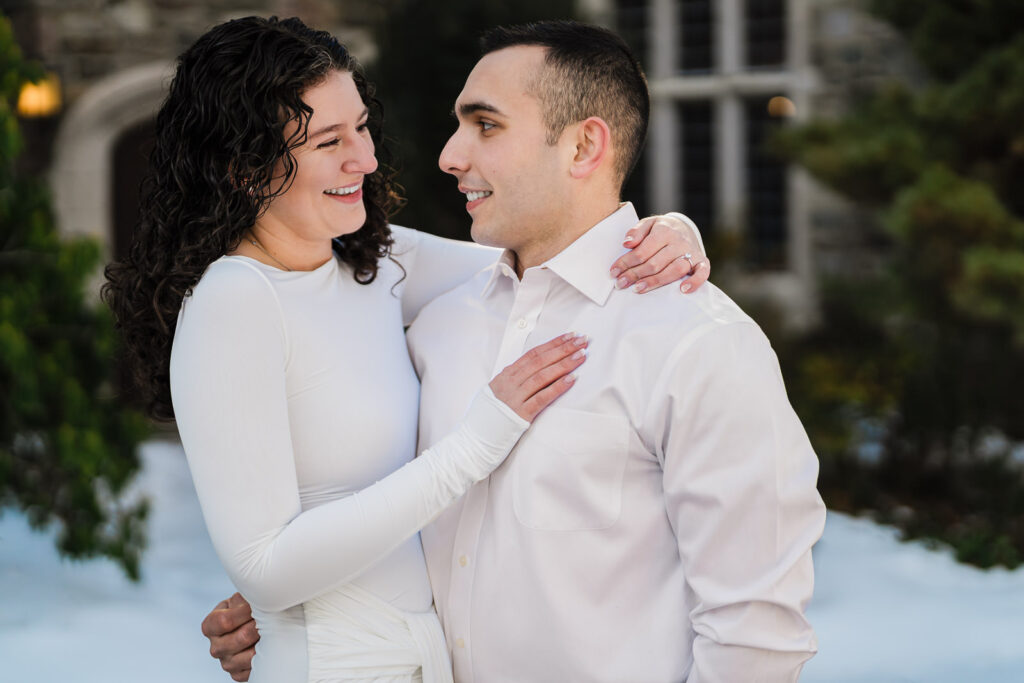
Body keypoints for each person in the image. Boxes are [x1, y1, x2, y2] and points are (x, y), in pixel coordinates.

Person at [205, 19, 826, 683]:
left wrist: (676, 228)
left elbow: (753, 638)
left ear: (585, 145)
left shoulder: (697, 343)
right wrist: (295, 609)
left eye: (486, 125)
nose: (449, 155)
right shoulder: (438, 319)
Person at [103, 16, 709, 683]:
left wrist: (664, 234)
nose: (362, 159)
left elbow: (554, 258)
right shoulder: (235, 303)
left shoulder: (376, 262)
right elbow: (267, 570)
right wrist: (476, 442)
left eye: (361, 127)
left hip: (426, 660)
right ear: (246, 168)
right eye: (329, 141)